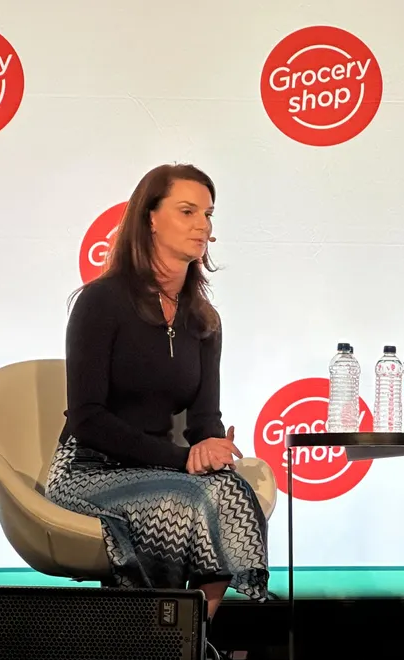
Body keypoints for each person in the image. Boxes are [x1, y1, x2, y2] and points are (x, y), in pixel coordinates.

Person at [45, 164, 270, 627]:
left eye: (208, 214)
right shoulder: (100, 302)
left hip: (157, 468)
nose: (202, 226)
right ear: (149, 217)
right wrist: (180, 460)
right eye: (187, 211)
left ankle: (186, 640)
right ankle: (150, 639)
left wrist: (212, 447)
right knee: (178, 501)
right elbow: (88, 419)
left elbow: (204, 419)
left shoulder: (203, 320)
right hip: (88, 469)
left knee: (230, 491)